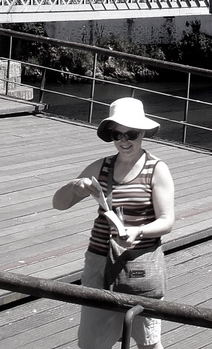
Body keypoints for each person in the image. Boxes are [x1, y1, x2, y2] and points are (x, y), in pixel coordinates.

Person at [53, 98, 175, 349]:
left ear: (142, 133)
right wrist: (75, 187)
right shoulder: (102, 166)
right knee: (91, 342)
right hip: (99, 259)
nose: (124, 140)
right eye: (117, 134)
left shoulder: (157, 169)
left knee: (148, 342)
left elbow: (167, 221)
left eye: (131, 133)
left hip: (140, 261)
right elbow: (59, 203)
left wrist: (139, 231)